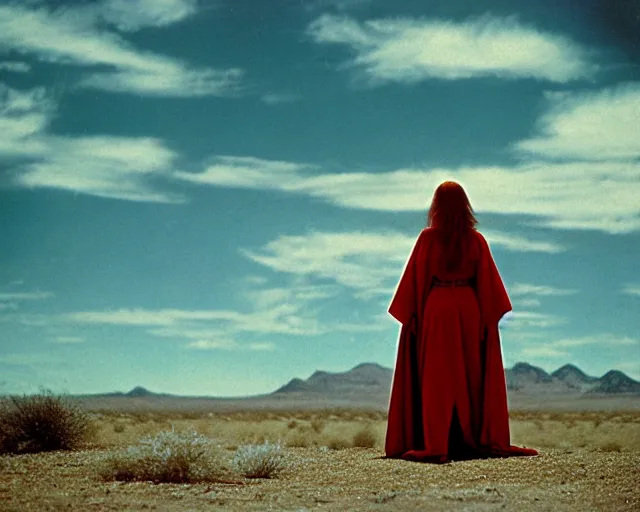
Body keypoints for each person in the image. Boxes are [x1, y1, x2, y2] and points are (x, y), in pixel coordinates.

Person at [384, 181, 538, 463]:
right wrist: (485, 321)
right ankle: (468, 440)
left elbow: (414, 282)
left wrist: (415, 317)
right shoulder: (476, 241)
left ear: (437, 206)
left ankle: (436, 443)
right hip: (469, 308)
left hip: (437, 308)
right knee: (471, 375)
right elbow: (489, 287)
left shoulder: (427, 239)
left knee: (435, 377)